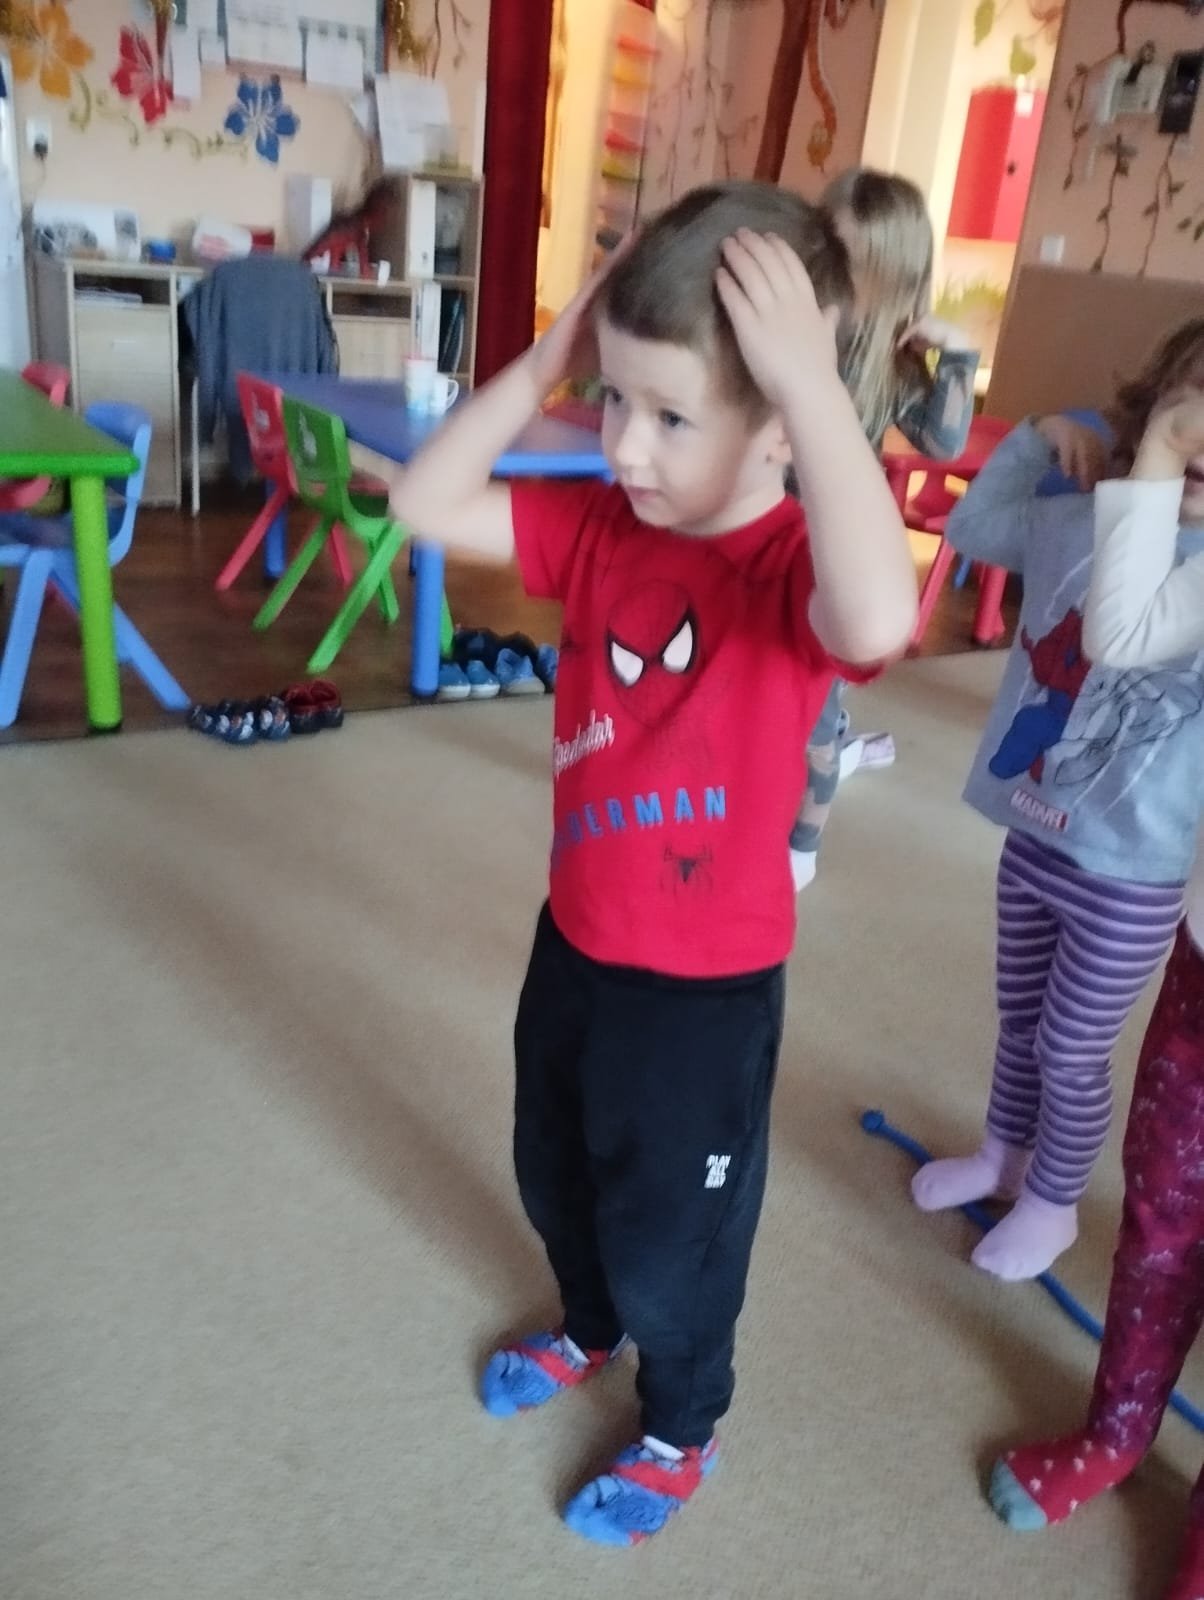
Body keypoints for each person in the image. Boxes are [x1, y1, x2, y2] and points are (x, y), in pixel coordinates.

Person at [389, 181, 917, 1546]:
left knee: (673, 1242)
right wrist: (547, 360)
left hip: (703, 1000)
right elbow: (423, 501)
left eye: (669, 416)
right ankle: (586, 1323)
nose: (622, 444)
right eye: (612, 400)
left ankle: (683, 1422)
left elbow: (878, 614)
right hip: (575, 942)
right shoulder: (602, 528)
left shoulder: (789, 567)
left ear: (780, 423)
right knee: (554, 1169)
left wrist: (816, 391)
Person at [910, 321, 1204, 1282]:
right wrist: (1038, 435)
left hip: (1130, 871)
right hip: (1035, 832)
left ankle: (1053, 1200)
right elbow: (972, 529)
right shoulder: (1086, 511)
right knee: (1020, 1020)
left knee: (1071, 1047)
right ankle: (1003, 1155)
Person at [985, 361, 1204, 1600]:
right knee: (1163, 1214)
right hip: (1193, 961)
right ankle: (1117, 1429)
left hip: (1133, 874)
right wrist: (1153, 449)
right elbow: (1111, 635)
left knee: (1067, 1051)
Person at [790, 169, 979, 891]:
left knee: (815, 706)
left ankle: (803, 844)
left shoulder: (889, 368)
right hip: (759, 536)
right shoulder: (786, 330)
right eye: (828, 251)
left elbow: (944, 443)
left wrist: (956, 353)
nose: (836, 278)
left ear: (893, 280)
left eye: (856, 266)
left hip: (832, 552)